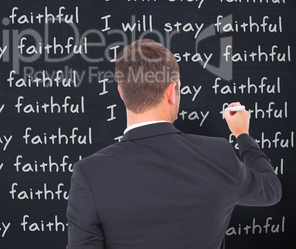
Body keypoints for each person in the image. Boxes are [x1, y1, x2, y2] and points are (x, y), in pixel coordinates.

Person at [66, 39, 282, 248]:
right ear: (172, 92)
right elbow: (271, 190)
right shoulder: (219, 154)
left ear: (122, 93)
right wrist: (243, 135)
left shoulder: (89, 173)